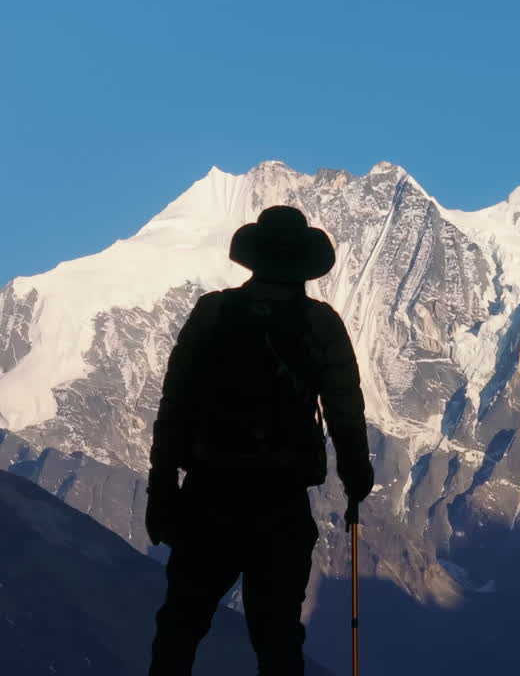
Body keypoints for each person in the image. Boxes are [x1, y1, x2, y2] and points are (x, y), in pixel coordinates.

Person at [146, 205, 375, 675]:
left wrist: (162, 486)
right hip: (280, 502)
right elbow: (345, 412)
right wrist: (356, 477)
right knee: (277, 637)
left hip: (209, 494)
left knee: (180, 626)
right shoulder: (320, 323)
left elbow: (175, 404)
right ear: (304, 265)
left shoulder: (213, 312)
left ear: (253, 258)